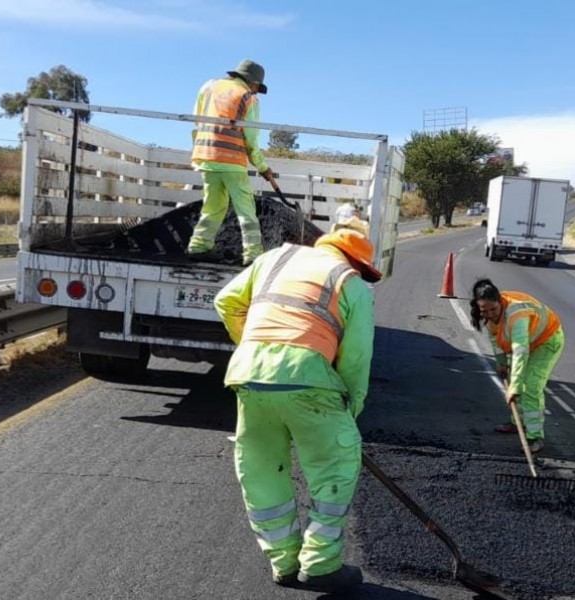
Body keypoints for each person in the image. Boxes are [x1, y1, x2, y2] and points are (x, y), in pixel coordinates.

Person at [214, 228, 380, 593]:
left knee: (261, 469)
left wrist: (258, 348)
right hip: (309, 381)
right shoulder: (349, 282)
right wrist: (350, 408)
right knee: (334, 466)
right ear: (354, 261)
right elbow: (356, 357)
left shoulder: (273, 259)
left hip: (248, 375)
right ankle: (320, 564)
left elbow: (225, 302)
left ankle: (285, 563)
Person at [188, 59, 276, 266]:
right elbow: (251, 138)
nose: (255, 92)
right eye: (256, 88)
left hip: (207, 157)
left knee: (213, 206)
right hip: (232, 161)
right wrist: (263, 167)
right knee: (246, 209)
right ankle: (253, 254)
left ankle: (199, 246)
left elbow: (197, 119)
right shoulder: (247, 97)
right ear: (252, 82)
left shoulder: (208, 87)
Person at [469, 278, 565, 454]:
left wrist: (514, 386)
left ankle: (535, 437)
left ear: (500, 302)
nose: (490, 314)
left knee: (529, 386)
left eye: (493, 309)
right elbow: (495, 337)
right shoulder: (490, 315)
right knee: (515, 378)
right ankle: (517, 422)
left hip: (546, 340)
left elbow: (520, 351)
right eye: (485, 311)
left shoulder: (516, 316)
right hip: (527, 342)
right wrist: (501, 363)